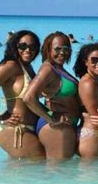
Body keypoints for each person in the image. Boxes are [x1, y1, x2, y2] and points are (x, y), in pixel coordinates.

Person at [0, 30, 45, 159]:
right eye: (23, 46)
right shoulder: (11, 65)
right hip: (16, 128)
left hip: (29, 128)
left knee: (20, 172)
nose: (28, 50)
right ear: (15, 47)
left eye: (32, 47)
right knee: (37, 165)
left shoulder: (28, 67)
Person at [23, 31, 81, 160]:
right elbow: (29, 98)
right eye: (57, 49)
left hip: (62, 127)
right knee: (58, 172)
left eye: (66, 49)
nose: (62, 52)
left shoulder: (58, 68)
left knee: (60, 173)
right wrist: (52, 119)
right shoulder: (48, 69)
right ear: (48, 50)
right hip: (56, 128)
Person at [73, 43, 98, 159]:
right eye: (94, 60)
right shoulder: (87, 83)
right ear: (86, 62)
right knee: (91, 175)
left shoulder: (96, 82)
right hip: (92, 135)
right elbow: (97, 116)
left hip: (96, 134)